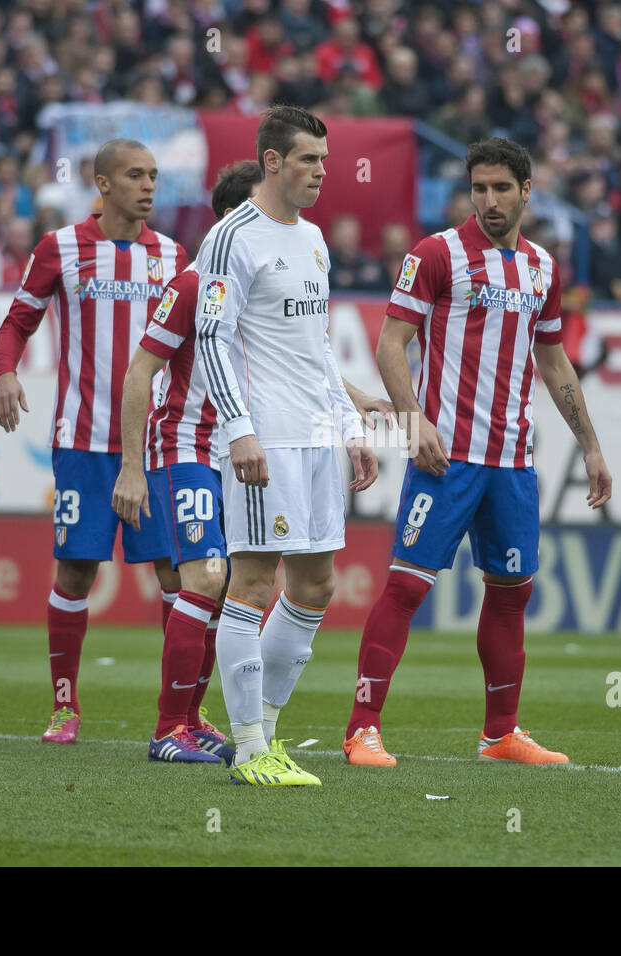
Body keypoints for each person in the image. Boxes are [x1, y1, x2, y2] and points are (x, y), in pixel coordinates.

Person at [113, 160, 393, 765]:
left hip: (256, 442)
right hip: (193, 441)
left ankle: (207, 719)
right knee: (214, 579)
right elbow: (141, 370)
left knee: (252, 584)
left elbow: (293, 354)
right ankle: (174, 727)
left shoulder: (290, 253)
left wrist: (352, 401)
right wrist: (130, 465)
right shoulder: (196, 281)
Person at [343, 138, 613, 767]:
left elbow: (553, 360)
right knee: (407, 589)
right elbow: (390, 344)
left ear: (527, 189)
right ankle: (362, 730)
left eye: (500, 189)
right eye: (478, 188)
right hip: (447, 457)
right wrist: (414, 424)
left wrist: (591, 446)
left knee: (512, 591)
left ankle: (500, 734)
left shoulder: (543, 268)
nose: (489, 201)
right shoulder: (437, 254)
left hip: (512, 462)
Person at [192, 105, 379, 786]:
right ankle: (246, 748)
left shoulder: (316, 240)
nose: (322, 173)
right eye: (308, 160)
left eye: (326, 161)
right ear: (272, 161)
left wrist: (351, 427)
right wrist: (238, 428)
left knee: (316, 581)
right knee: (251, 579)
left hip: (316, 434)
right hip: (262, 434)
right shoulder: (230, 238)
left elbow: (318, 346)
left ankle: (266, 731)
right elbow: (212, 337)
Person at [0, 139, 187, 746]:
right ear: (101, 184)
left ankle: (178, 712)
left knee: (176, 576)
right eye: (135, 175)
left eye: (154, 176)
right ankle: (64, 706)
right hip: (83, 442)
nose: (148, 186)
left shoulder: (175, 256)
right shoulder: (62, 248)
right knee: (76, 572)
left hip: (157, 447)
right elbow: (15, 324)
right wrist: (3, 372)